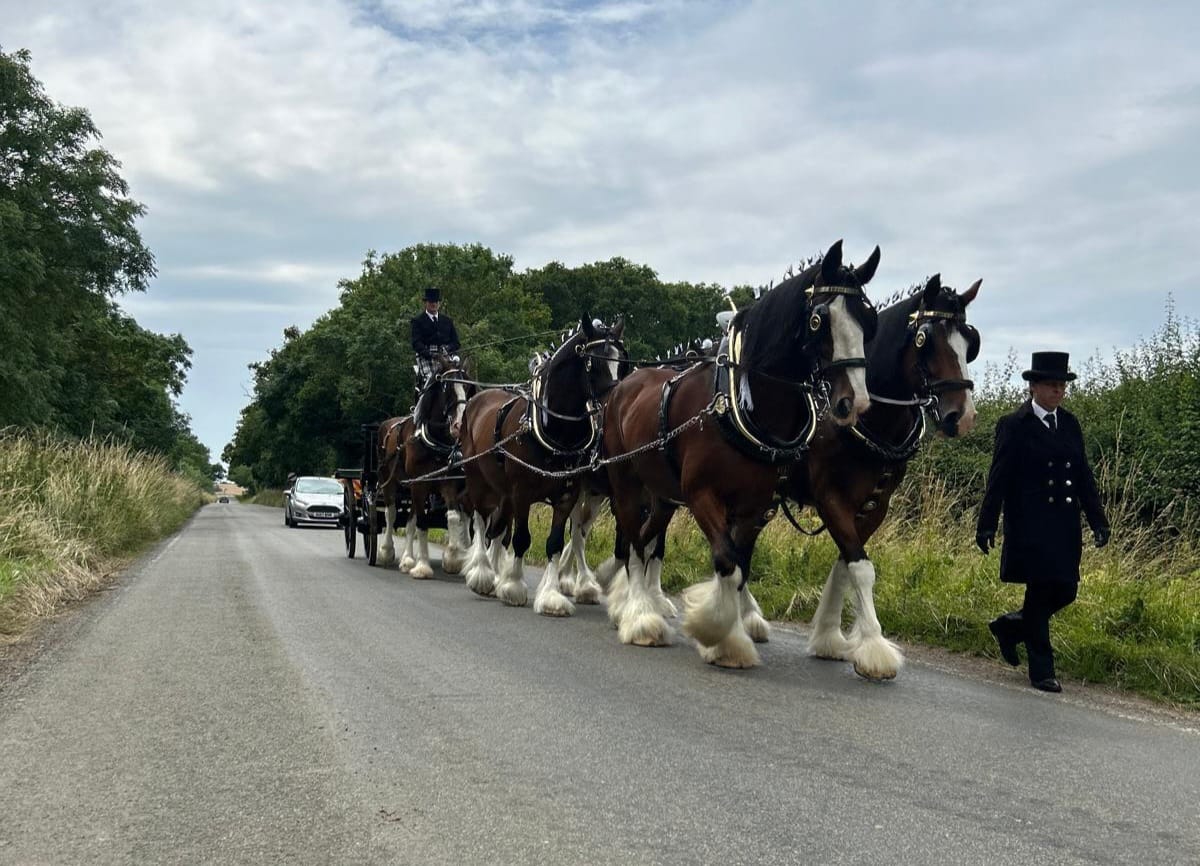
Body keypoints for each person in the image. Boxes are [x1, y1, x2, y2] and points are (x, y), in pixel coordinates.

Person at [976, 351, 1110, 693]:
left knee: (1066, 590)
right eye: (1052, 385)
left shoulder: (1070, 423)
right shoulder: (1014, 424)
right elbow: (999, 477)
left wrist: (1098, 520)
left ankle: (1011, 627)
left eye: (1062, 386)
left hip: (1064, 525)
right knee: (1038, 593)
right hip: (1030, 525)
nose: (1059, 392)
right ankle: (1042, 670)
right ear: (1033, 387)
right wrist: (987, 523)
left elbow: (1083, 476)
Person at [409, 287, 460, 425]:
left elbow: (456, 342)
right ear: (426, 303)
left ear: (439, 303)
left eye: (436, 302)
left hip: (446, 355)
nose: (434, 304)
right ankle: (419, 413)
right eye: (431, 302)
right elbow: (416, 343)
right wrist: (430, 354)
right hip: (427, 357)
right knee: (432, 381)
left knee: (458, 379)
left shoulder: (447, 321)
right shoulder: (418, 321)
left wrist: (448, 348)